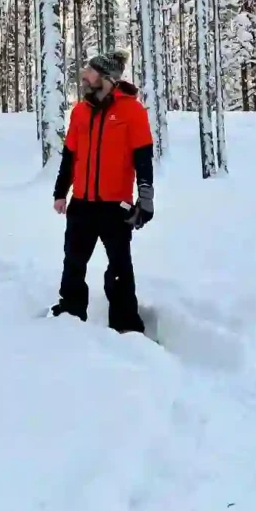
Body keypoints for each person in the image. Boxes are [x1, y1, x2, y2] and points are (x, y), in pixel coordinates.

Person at [50, 49, 154, 334]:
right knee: (73, 262)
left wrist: (146, 199)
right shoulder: (79, 112)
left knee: (120, 267)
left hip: (115, 207)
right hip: (81, 204)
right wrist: (61, 192)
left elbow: (143, 158)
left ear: (107, 77)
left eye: (90, 71)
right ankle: (70, 315)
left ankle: (126, 326)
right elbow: (70, 155)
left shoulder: (132, 111)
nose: (84, 75)